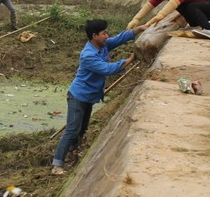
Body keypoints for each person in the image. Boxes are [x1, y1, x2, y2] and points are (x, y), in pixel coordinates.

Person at [51, 19, 145, 175]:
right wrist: (129, 60)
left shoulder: (103, 45)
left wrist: (138, 29)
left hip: (89, 97)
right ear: (95, 36)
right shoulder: (88, 55)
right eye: (104, 33)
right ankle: (57, 165)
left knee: (82, 129)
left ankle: (72, 153)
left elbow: (119, 39)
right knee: (72, 130)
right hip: (78, 97)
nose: (107, 36)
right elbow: (107, 69)